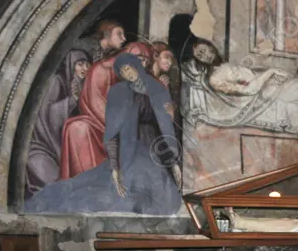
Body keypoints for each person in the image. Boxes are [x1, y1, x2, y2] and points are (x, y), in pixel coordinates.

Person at [27, 54, 183, 215]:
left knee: (166, 200)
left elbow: (166, 129)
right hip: (129, 154)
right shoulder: (118, 93)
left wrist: (173, 162)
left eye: (128, 68)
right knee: (112, 195)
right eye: (122, 72)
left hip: (153, 152)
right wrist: (115, 167)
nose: (127, 74)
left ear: (137, 65)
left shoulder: (157, 89)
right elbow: (112, 132)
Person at [60, 42, 154, 179]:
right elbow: (96, 105)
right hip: (99, 123)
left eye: (147, 62)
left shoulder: (139, 77)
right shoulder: (102, 70)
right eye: (140, 60)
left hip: (127, 128)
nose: (144, 65)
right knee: (77, 128)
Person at [26, 50, 90, 197]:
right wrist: (73, 99)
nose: (85, 68)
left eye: (87, 64)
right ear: (70, 65)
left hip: (64, 147)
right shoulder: (56, 81)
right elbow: (48, 114)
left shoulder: (82, 85)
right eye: (80, 64)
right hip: (43, 148)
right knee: (57, 186)